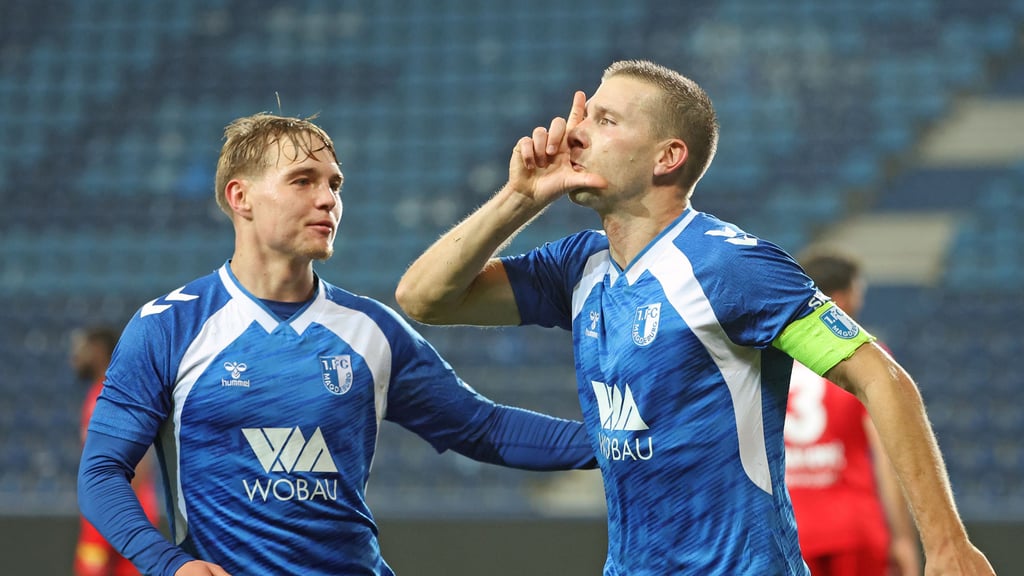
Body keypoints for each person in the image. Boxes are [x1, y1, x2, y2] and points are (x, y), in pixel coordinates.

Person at [394, 59, 995, 575]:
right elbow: (425, 299)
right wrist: (519, 199)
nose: (575, 135)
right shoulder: (578, 267)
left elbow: (881, 378)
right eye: (583, 116)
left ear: (667, 157)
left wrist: (946, 547)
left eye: (605, 121)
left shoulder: (728, 265)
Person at [77, 113, 597, 576]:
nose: (328, 198)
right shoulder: (169, 327)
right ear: (241, 198)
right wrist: (169, 564)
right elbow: (102, 472)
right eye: (302, 181)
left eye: (334, 183)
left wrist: (624, 441)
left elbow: (485, 428)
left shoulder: (371, 329)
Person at [783, 247, 920, 575]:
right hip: (855, 528)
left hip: (791, 532)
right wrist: (902, 538)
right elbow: (889, 456)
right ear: (841, 299)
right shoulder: (865, 358)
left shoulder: (770, 358)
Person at [71, 325, 161, 576]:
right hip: (122, 508)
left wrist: (117, 513)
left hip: (117, 510)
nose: (75, 357)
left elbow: (139, 458)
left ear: (99, 351)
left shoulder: (115, 395)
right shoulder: (100, 392)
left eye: (82, 349)